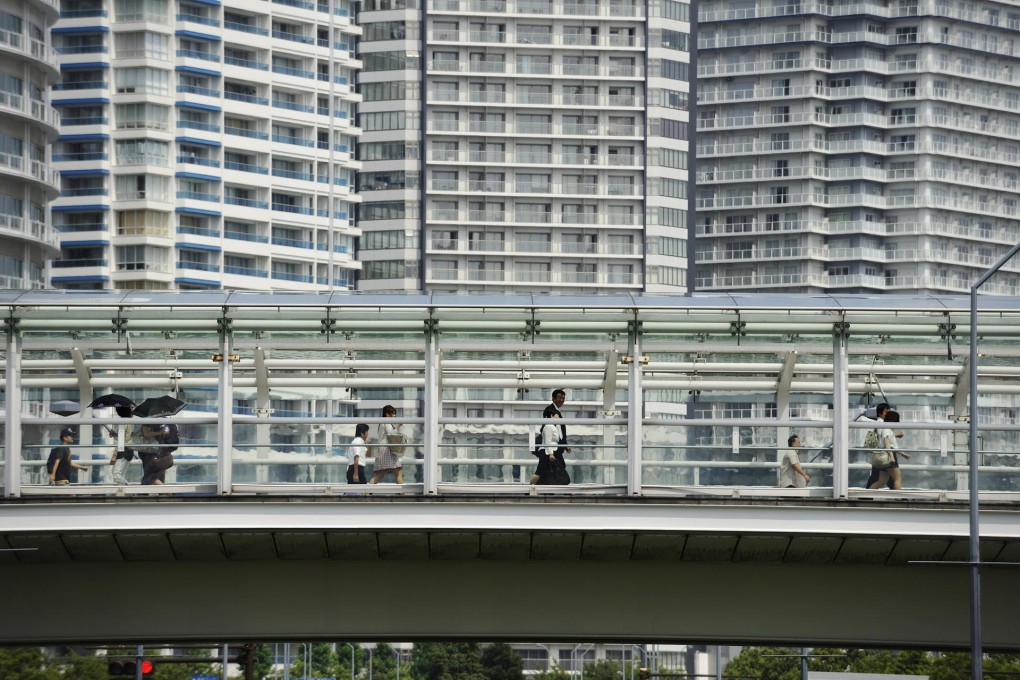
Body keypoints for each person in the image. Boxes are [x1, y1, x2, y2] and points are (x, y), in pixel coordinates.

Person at [864, 403, 903, 488]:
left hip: (881, 453)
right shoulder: (881, 423)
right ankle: (898, 497)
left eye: (889, 411)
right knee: (893, 478)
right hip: (884, 453)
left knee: (881, 479)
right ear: (880, 413)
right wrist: (896, 435)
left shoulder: (882, 423)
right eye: (886, 412)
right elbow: (884, 438)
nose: (888, 414)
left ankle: (867, 495)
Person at [869, 410, 910, 490]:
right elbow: (887, 444)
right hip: (888, 455)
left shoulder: (886, 429)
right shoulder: (887, 429)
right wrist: (892, 456)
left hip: (884, 456)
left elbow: (891, 445)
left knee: (882, 481)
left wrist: (902, 454)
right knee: (897, 479)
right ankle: (898, 499)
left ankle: (866, 494)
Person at [530, 405, 568, 485]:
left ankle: (551, 486)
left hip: (553, 450)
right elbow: (548, 441)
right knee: (540, 470)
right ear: (551, 416)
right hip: (546, 451)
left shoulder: (554, 427)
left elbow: (560, 437)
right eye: (557, 418)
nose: (558, 420)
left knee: (555, 468)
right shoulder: (548, 426)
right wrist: (551, 454)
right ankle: (530, 487)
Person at [370, 405, 404, 484]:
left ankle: (367, 491)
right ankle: (400, 493)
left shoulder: (382, 422)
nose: (394, 416)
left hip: (384, 449)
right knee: (396, 471)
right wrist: (398, 426)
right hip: (387, 449)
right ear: (387, 414)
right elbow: (391, 434)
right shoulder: (387, 422)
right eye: (392, 414)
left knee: (383, 473)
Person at [107, 405, 134, 485]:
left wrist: (115, 453)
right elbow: (125, 437)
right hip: (128, 450)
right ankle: (124, 492)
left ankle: (129, 488)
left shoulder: (123, 422)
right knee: (121, 474)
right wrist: (115, 435)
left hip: (123, 451)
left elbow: (122, 440)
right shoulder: (130, 422)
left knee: (116, 475)